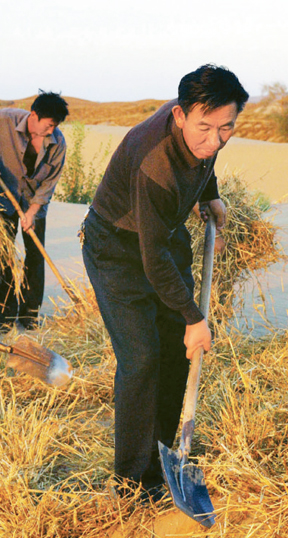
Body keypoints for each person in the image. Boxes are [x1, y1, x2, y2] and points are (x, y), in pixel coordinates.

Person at [81, 64, 247, 497]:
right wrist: (194, 317)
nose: (213, 141)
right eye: (204, 129)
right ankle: (131, 482)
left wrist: (209, 194)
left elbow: (203, 159)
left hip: (162, 235)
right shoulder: (155, 163)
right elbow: (152, 261)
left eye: (226, 129)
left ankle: (161, 462)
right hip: (116, 247)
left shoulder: (207, 125)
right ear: (179, 116)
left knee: (176, 356)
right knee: (141, 359)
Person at [0, 91, 69, 333]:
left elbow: (49, 183)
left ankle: (30, 314)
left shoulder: (58, 142)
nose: (52, 130)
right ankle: (3, 316)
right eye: (50, 124)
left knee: (35, 255)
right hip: (2, 196)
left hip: (34, 202)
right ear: (34, 115)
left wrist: (32, 212)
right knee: (2, 256)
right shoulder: (6, 119)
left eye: (56, 126)